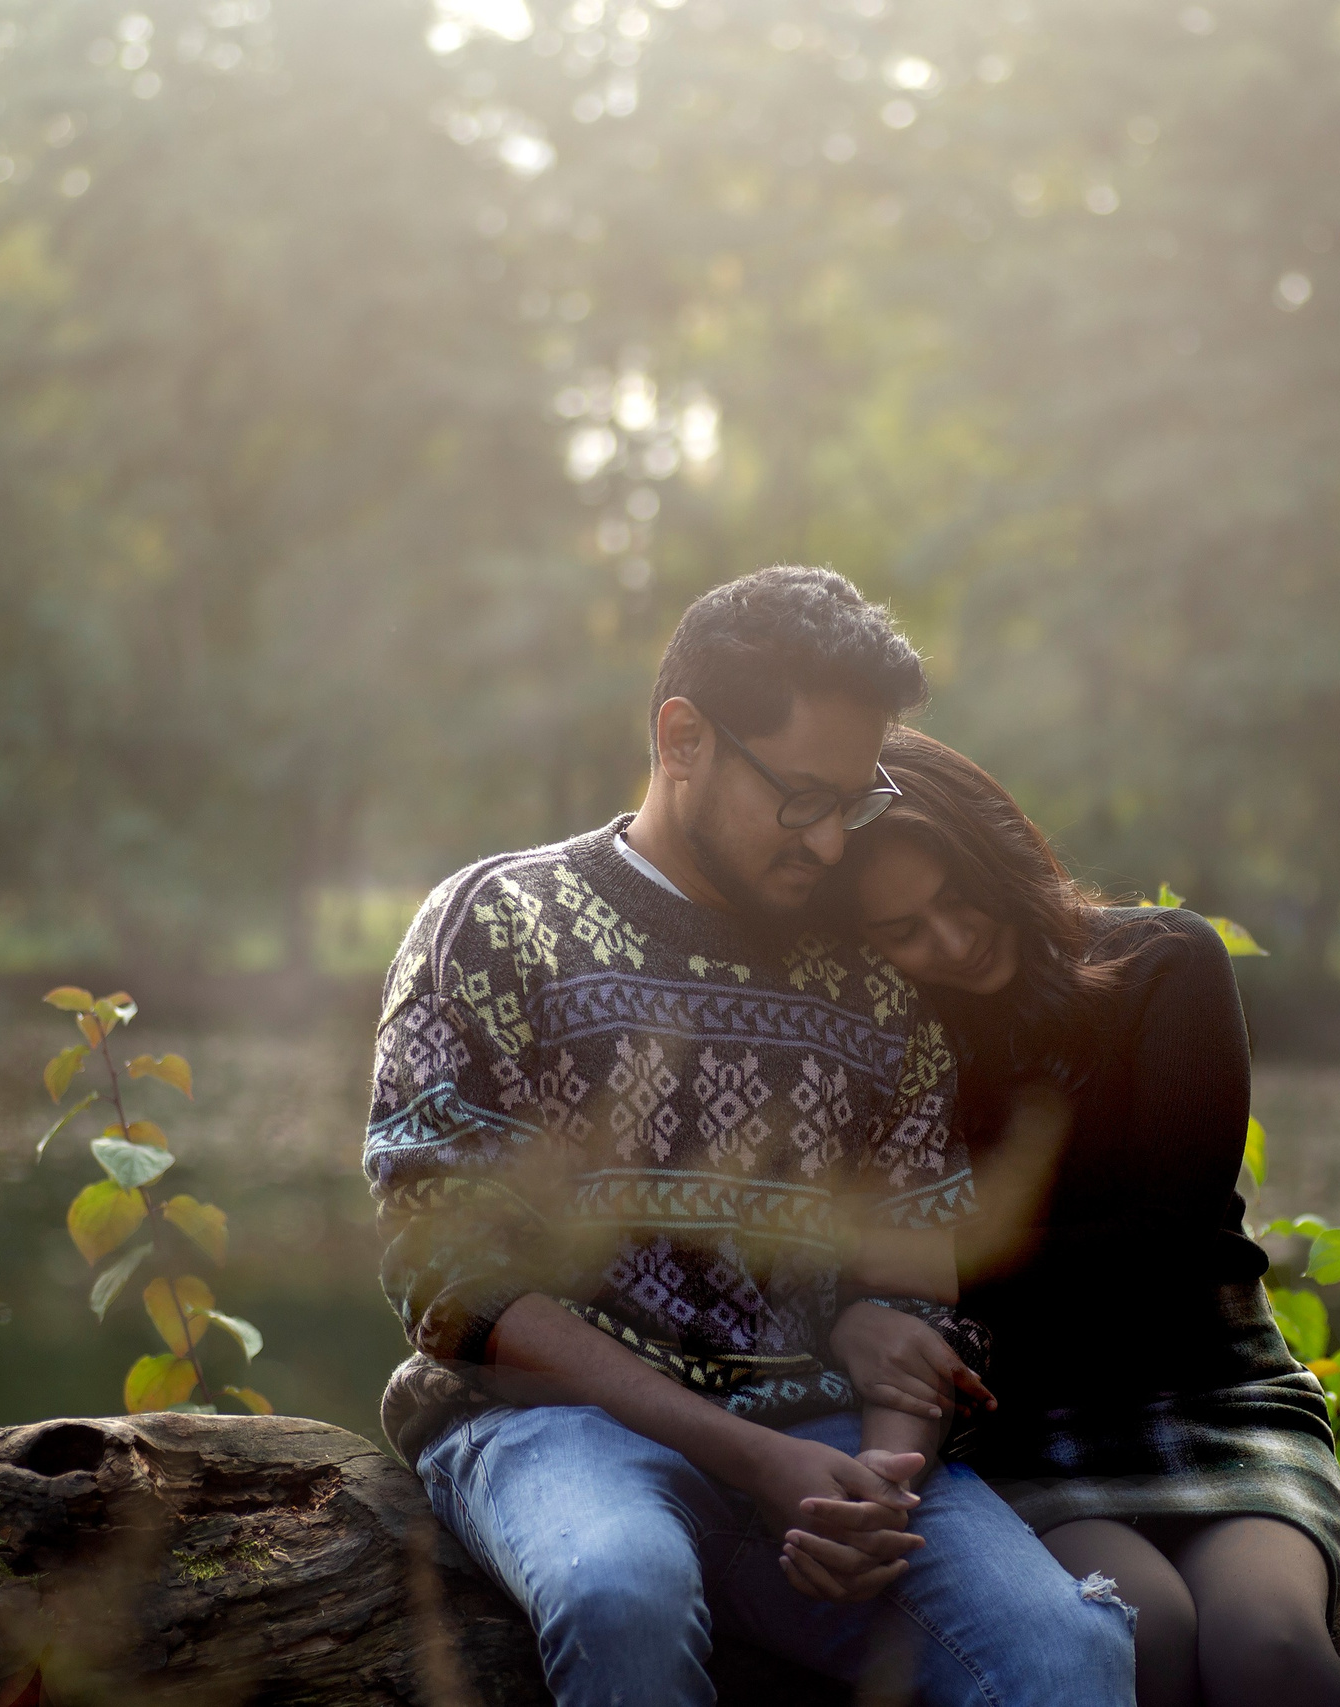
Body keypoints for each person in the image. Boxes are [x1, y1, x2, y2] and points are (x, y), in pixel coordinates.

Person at [363, 568, 1136, 1707]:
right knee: (621, 1587)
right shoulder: (497, 925)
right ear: (683, 740)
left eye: (851, 804)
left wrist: (880, 1478)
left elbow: (911, 1291)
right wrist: (748, 1458)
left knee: (1065, 1654)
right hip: (550, 1429)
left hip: (820, 1438)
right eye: (800, 798)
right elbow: (448, 1283)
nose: (829, 846)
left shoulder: (873, 984)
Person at [828, 728, 1340, 1707]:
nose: (947, 941)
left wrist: (926, 1260)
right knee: (1141, 1631)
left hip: (1218, 1398)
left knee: (1267, 1645)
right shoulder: (891, 1043)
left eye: (958, 897)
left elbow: (1166, 1238)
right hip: (1030, 1425)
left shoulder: (1163, 962)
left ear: (1001, 853)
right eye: (902, 932)